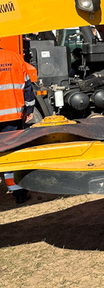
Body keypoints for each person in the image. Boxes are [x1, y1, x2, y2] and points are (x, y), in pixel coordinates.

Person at [0, 47, 36, 204]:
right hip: (12, 116)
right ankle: (19, 193)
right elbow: (27, 86)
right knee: (12, 155)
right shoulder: (14, 57)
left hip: (11, 115)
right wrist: (29, 109)